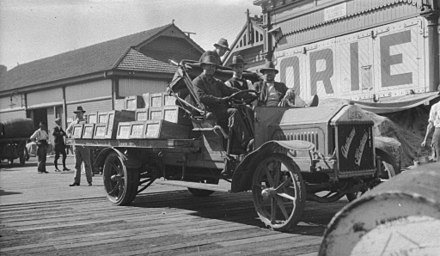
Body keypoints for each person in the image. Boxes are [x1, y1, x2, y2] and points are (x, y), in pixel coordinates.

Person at [254, 61, 318, 107]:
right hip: (264, 109)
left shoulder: (280, 85)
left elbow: (289, 92)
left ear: (275, 74)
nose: (269, 74)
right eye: (267, 72)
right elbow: (253, 99)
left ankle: (306, 106)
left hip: (279, 108)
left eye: (271, 72)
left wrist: (289, 91)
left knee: (292, 93)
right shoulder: (258, 85)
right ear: (264, 74)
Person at [66, 106, 93, 186]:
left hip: (84, 145)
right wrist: (70, 135)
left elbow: (90, 131)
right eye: (77, 113)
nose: (78, 114)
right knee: (77, 164)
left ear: (82, 113)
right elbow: (67, 130)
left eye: (79, 113)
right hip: (76, 145)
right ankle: (76, 181)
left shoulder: (86, 122)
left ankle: (89, 181)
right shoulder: (73, 123)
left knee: (87, 163)